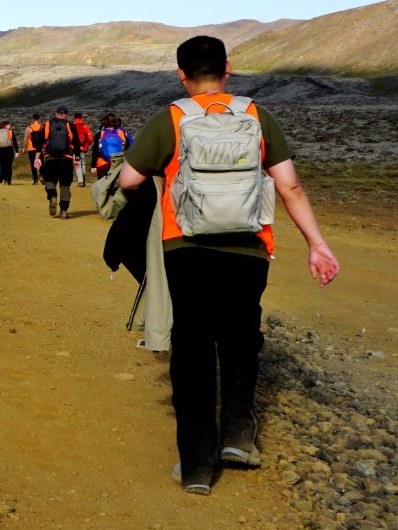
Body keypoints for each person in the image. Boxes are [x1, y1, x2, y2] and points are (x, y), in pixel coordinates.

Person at [117, 35, 340, 496]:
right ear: (228, 69)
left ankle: (197, 464)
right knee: (241, 338)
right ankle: (239, 437)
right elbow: (290, 187)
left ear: (181, 74)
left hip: (187, 248)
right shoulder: (257, 116)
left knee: (192, 345)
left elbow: (130, 179)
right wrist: (317, 244)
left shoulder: (172, 118)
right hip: (249, 250)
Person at [39, 109, 76, 216]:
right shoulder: (70, 125)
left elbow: (40, 141)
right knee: (65, 185)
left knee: (49, 180)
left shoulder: (47, 125)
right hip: (66, 159)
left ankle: (52, 196)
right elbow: (76, 142)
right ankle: (64, 210)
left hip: (50, 158)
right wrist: (77, 158)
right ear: (66, 115)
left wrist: (38, 155)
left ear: (56, 114)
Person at [94, 113, 130, 177]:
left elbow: (95, 150)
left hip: (102, 164)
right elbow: (129, 147)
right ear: (116, 121)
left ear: (104, 122)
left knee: (103, 185)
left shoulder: (100, 133)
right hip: (118, 164)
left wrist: (93, 165)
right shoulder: (122, 132)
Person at [25, 114, 46, 183]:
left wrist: (24, 147)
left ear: (33, 119)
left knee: (32, 164)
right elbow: (45, 138)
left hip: (31, 148)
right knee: (41, 163)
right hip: (40, 148)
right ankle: (42, 176)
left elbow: (26, 138)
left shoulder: (29, 128)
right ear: (39, 119)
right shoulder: (42, 127)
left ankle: (35, 180)